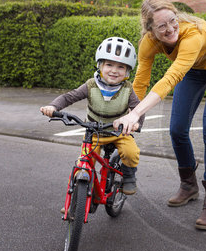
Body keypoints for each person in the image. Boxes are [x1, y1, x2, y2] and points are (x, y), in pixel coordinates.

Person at [113, 0, 206, 230]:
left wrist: (137, 112)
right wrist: (132, 111)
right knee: (177, 129)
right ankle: (189, 186)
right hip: (193, 72)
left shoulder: (192, 34)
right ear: (150, 29)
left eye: (173, 21)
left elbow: (171, 77)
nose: (170, 28)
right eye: (162, 26)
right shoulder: (148, 43)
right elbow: (141, 80)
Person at [40, 37, 145, 197]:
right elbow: (70, 96)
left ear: (127, 71)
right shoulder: (91, 85)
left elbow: (138, 109)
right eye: (109, 64)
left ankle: (129, 176)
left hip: (119, 133)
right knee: (83, 164)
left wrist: (136, 124)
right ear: (100, 65)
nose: (114, 70)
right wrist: (53, 107)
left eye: (121, 67)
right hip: (94, 133)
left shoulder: (127, 89)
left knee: (131, 152)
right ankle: (74, 198)